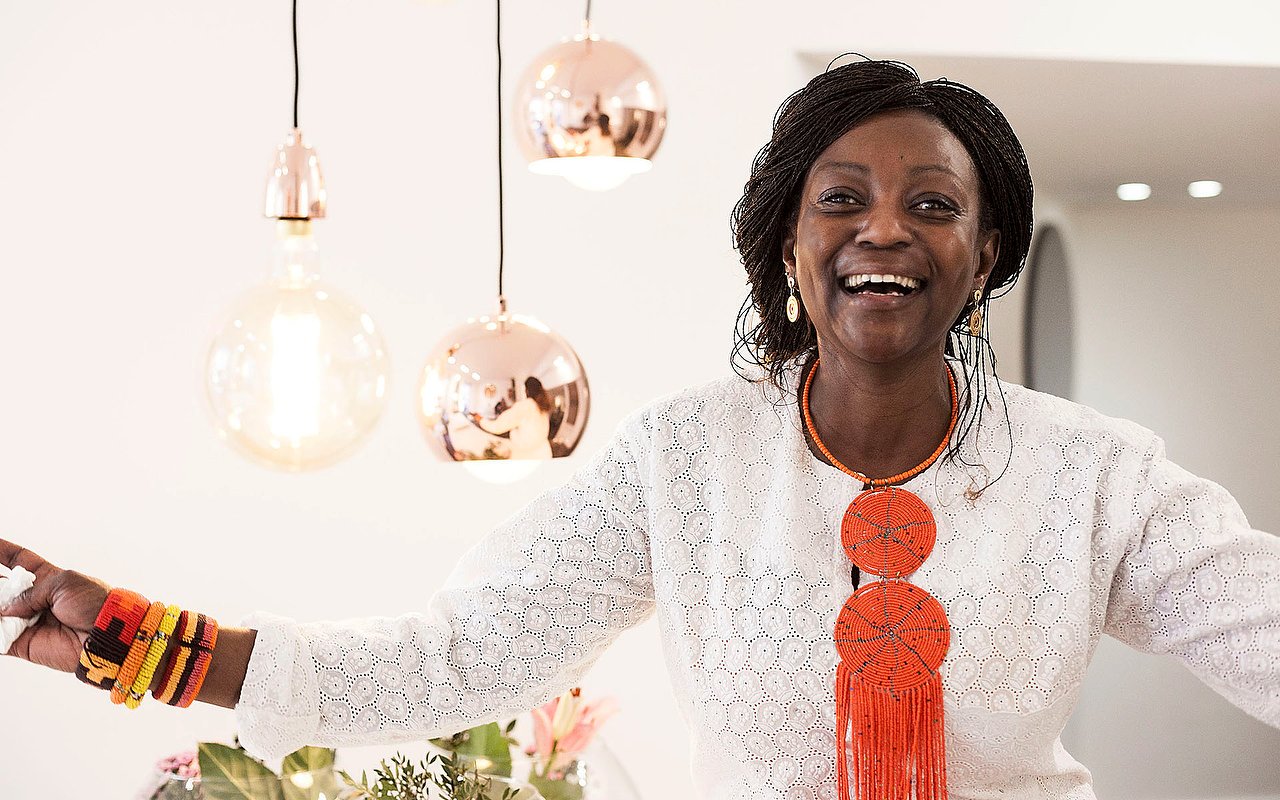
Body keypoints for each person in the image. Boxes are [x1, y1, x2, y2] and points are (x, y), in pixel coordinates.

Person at [1, 59, 1277, 800]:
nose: (884, 226)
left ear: (984, 252)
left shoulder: (1095, 475)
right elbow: (454, 658)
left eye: (932, 203)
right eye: (840, 198)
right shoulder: (683, 460)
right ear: (790, 244)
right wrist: (145, 639)